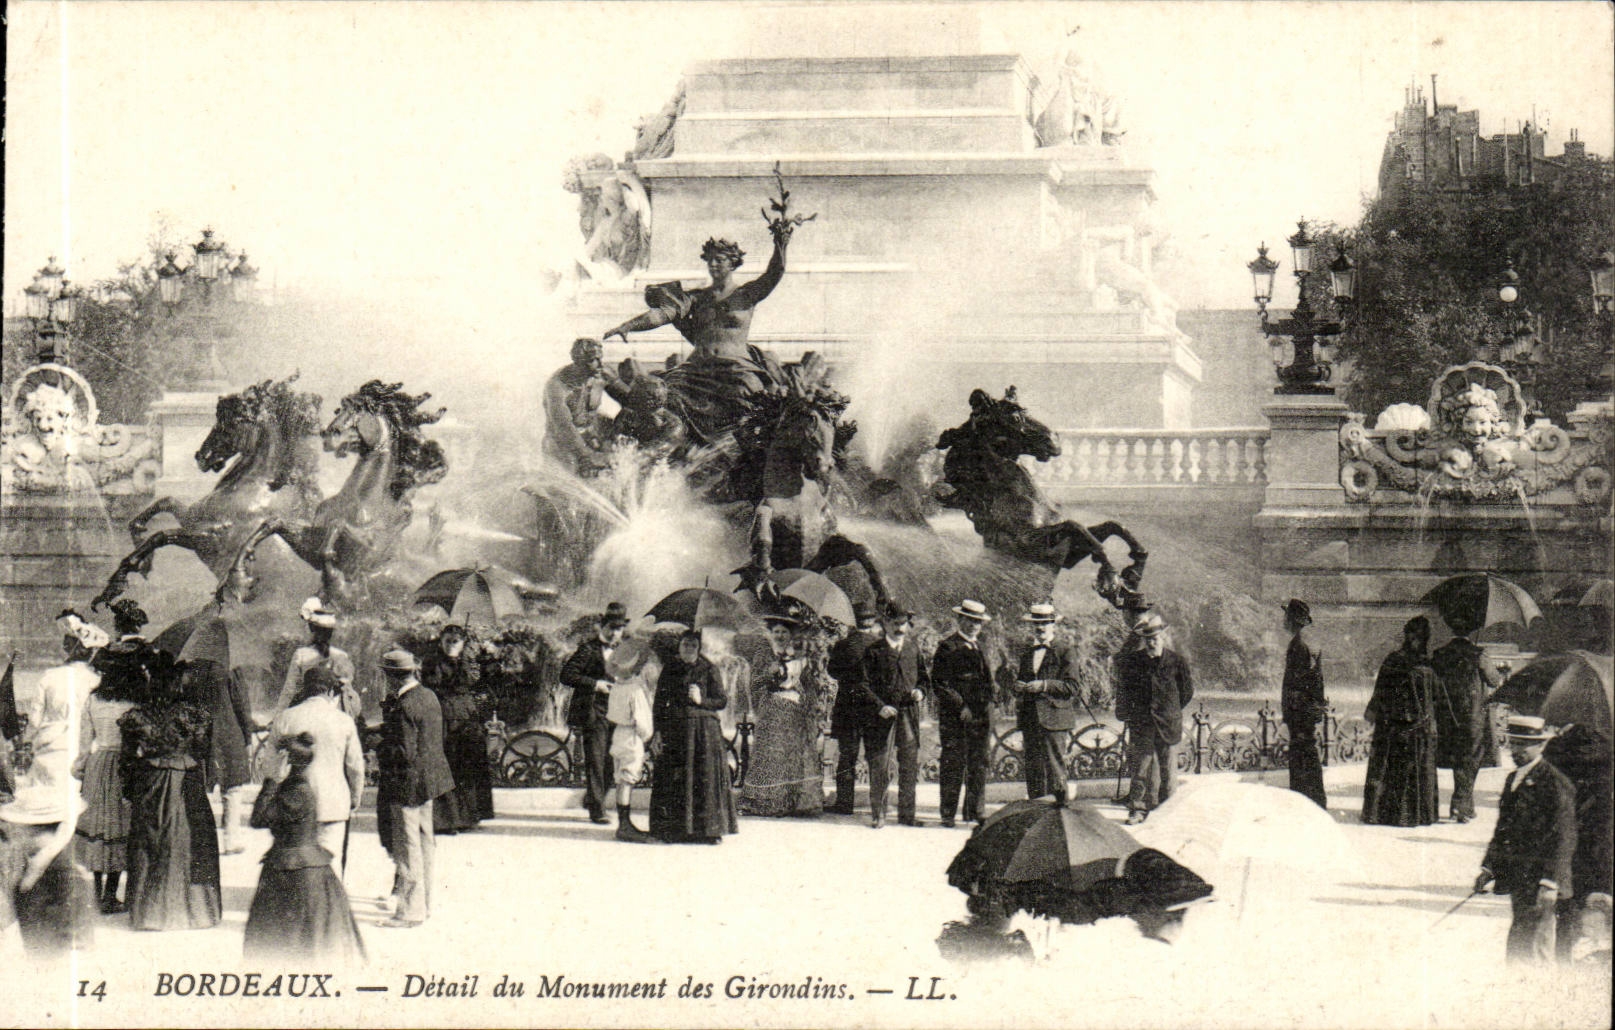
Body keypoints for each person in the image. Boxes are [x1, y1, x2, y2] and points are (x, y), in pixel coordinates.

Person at [602, 219, 797, 443]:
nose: (713, 264)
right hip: (696, 369)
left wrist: (780, 244)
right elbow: (664, 313)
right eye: (710, 260)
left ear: (733, 263)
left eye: (720, 260)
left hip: (735, 369)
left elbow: (775, 272)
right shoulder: (696, 297)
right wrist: (627, 327)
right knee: (666, 397)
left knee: (748, 399)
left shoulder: (747, 295)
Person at [0, 615, 103, 955]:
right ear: (89, 654)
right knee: (72, 815)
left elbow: (35, 721)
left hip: (49, 751)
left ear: (70, 648)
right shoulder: (96, 679)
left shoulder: (50, 677)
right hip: (81, 750)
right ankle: (57, 871)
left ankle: (39, 868)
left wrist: (22, 743)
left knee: (48, 811)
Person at [119, 653, 222, 931]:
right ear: (177, 682)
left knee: (148, 841)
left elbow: (126, 760)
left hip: (150, 780)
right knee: (188, 839)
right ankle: (193, 911)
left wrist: (130, 788)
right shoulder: (193, 714)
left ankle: (148, 913)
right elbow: (201, 751)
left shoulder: (137, 716)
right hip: (183, 779)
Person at [244, 731, 366, 964]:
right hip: (301, 868)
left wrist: (272, 781)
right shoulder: (296, 786)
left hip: (294, 873)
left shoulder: (294, 792)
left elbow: (258, 818)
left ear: (285, 762)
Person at [1474, 715, 1577, 963]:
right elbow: (1504, 830)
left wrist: (1550, 882)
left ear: (1541, 746)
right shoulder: (1514, 779)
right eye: (1512, 743)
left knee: (1536, 949)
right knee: (1519, 943)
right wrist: (1488, 868)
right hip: (1520, 878)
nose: (1515, 751)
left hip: (1542, 881)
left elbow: (1564, 837)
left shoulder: (1555, 783)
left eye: (1523, 745)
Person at [374, 649, 454, 928]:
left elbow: (403, 752)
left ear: (391, 677)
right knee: (424, 843)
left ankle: (409, 911)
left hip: (406, 783)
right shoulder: (429, 696)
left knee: (407, 847)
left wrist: (378, 748)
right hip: (429, 780)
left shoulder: (403, 706)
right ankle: (425, 904)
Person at [74, 619, 143, 913]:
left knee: (99, 827)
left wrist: (80, 767)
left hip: (99, 763)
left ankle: (98, 891)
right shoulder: (133, 702)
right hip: (124, 765)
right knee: (119, 827)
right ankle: (110, 895)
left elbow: (83, 740)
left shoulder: (93, 700)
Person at [268, 666, 365, 868]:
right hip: (334, 802)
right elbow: (355, 766)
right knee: (331, 865)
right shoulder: (344, 721)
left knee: (296, 867)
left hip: (294, 803)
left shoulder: (285, 717)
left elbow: (269, 765)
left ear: (304, 689)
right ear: (331, 691)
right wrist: (355, 796)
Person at [648, 630, 738, 844]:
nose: (688, 649)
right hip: (676, 730)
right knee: (677, 778)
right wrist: (657, 732)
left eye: (693, 645)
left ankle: (708, 831)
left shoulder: (709, 669)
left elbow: (721, 701)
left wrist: (701, 700)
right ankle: (675, 829)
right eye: (685, 645)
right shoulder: (671, 669)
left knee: (703, 778)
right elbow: (659, 703)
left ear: (699, 648)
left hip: (705, 732)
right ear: (679, 647)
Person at [1542, 720, 1614, 962]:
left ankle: (1565, 959)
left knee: (1568, 912)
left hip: (1573, 848)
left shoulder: (1557, 750)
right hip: (1600, 847)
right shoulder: (1605, 750)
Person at [1114, 612, 1194, 824]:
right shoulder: (1133, 662)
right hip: (1142, 724)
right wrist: (1127, 714)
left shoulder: (1177, 662)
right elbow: (1124, 689)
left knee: (1168, 771)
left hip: (1168, 724)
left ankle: (1169, 813)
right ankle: (1138, 809)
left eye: (1156, 637)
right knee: (1140, 768)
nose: (1152, 642)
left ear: (1163, 637)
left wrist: (1170, 710)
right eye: (1148, 638)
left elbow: (1186, 693)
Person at [740, 615, 824, 817]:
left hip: (794, 711)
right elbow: (754, 684)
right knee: (771, 756)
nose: (780, 635)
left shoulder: (800, 658)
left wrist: (806, 699)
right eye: (776, 632)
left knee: (791, 755)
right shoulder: (764, 655)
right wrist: (770, 673)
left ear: (790, 635)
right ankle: (767, 801)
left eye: (784, 632)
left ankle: (792, 801)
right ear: (771, 634)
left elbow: (809, 686)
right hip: (772, 709)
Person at [1360, 617, 1440, 827]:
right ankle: (1416, 815)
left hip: (1392, 728)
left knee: (1390, 769)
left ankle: (1382, 813)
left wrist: (1373, 713)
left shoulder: (1393, 660)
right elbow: (1437, 699)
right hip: (1416, 730)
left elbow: (1379, 694)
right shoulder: (1427, 666)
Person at [858, 602, 928, 828]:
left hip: (908, 713)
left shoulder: (913, 649)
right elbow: (863, 685)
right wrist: (879, 706)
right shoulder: (873, 651)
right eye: (895, 624)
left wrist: (920, 691)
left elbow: (924, 679)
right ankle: (879, 814)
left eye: (904, 624)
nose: (900, 628)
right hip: (881, 717)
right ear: (885, 623)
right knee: (879, 765)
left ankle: (907, 815)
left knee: (908, 765)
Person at [422, 624, 494, 834]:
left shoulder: (468, 661)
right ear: (441, 641)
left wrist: (470, 664)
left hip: (467, 717)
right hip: (443, 715)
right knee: (448, 766)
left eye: (456, 641)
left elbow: (477, 683)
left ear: (463, 644)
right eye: (448, 641)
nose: (451, 645)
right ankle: (446, 821)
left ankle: (468, 816)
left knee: (469, 766)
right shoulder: (432, 661)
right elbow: (431, 685)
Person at [562, 602, 630, 825]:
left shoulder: (626, 651)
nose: (614, 632)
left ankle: (593, 798)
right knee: (596, 761)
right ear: (602, 626)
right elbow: (567, 675)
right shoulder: (589, 649)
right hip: (594, 712)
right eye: (611, 627)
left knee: (612, 762)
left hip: (618, 713)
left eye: (619, 628)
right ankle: (597, 809)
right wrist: (595, 684)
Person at [1430, 615, 1502, 823]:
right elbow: (1494, 680)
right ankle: (1460, 804)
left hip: (1447, 715)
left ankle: (1466, 806)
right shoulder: (1479, 654)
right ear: (1472, 632)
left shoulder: (1440, 654)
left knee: (1457, 759)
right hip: (1473, 716)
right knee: (1471, 759)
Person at [931, 599, 996, 828]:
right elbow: (940, 684)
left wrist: (990, 704)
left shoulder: (981, 646)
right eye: (970, 621)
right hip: (957, 718)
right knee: (953, 763)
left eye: (978, 622)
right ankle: (948, 813)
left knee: (979, 763)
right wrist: (961, 707)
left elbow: (987, 680)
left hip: (981, 717)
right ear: (960, 620)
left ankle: (975, 811)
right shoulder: (948, 647)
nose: (974, 626)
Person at [1010, 603, 1079, 806]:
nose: (1040, 628)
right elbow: (1022, 682)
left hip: (1055, 719)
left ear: (1053, 625)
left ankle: (1060, 814)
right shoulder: (1027, 653)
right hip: (1031, 719)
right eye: (1036, 624)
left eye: (1044, 623)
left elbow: (1073, 687)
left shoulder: (1066, 651)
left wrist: (1044, 685)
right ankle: (1036, 813)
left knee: (1055, 769)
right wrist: (1017, 687)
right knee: (1033, 770)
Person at [542, 337, 632, 476]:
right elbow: (564, 426)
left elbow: (631, 399)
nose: (600, 364)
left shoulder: (602, 374)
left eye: (600, 358)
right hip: (563, 445)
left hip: (592, 437)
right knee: (566, 486)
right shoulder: (557, 386)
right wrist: (585, 456)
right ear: (578, 361)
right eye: (592, 360)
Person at [827, 601, 882, 817]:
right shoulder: (880, 644)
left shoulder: (844, 645)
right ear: (872, 621)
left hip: (847, 707)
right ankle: (877, 803)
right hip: (871, 707)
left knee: (847, 755)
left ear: (855, 621)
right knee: (875, 755)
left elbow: (832, 671)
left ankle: (844, 803)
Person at [272, 598, 360, 726]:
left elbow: (289, 690)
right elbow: (347, 690)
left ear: (312, 629)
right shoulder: (341, 655)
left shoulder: (301, 654)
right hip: (336, 714)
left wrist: (278, 717)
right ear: (331, 633)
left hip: (307, 713)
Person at [604, 638, 656, 842]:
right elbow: (643, 723)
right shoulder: (635, 690)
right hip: (632, 736)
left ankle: (623, 822)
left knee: (621, 778)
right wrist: (647, 738)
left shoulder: (617, 686)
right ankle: (625, 826)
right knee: (628, 778)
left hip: (618, 734)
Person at [1279, 599, 1328, 810]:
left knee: (1301, 758)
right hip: (1309, 710)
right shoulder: (1311, 641)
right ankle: (1314, 803)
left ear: (1293, 619)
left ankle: (1304, 804)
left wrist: (1291, 712)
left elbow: (1298, 682)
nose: (1283, 620)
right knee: (1309, 756)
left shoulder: (1299, 644)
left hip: (1300, 712)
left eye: (1286, 616)